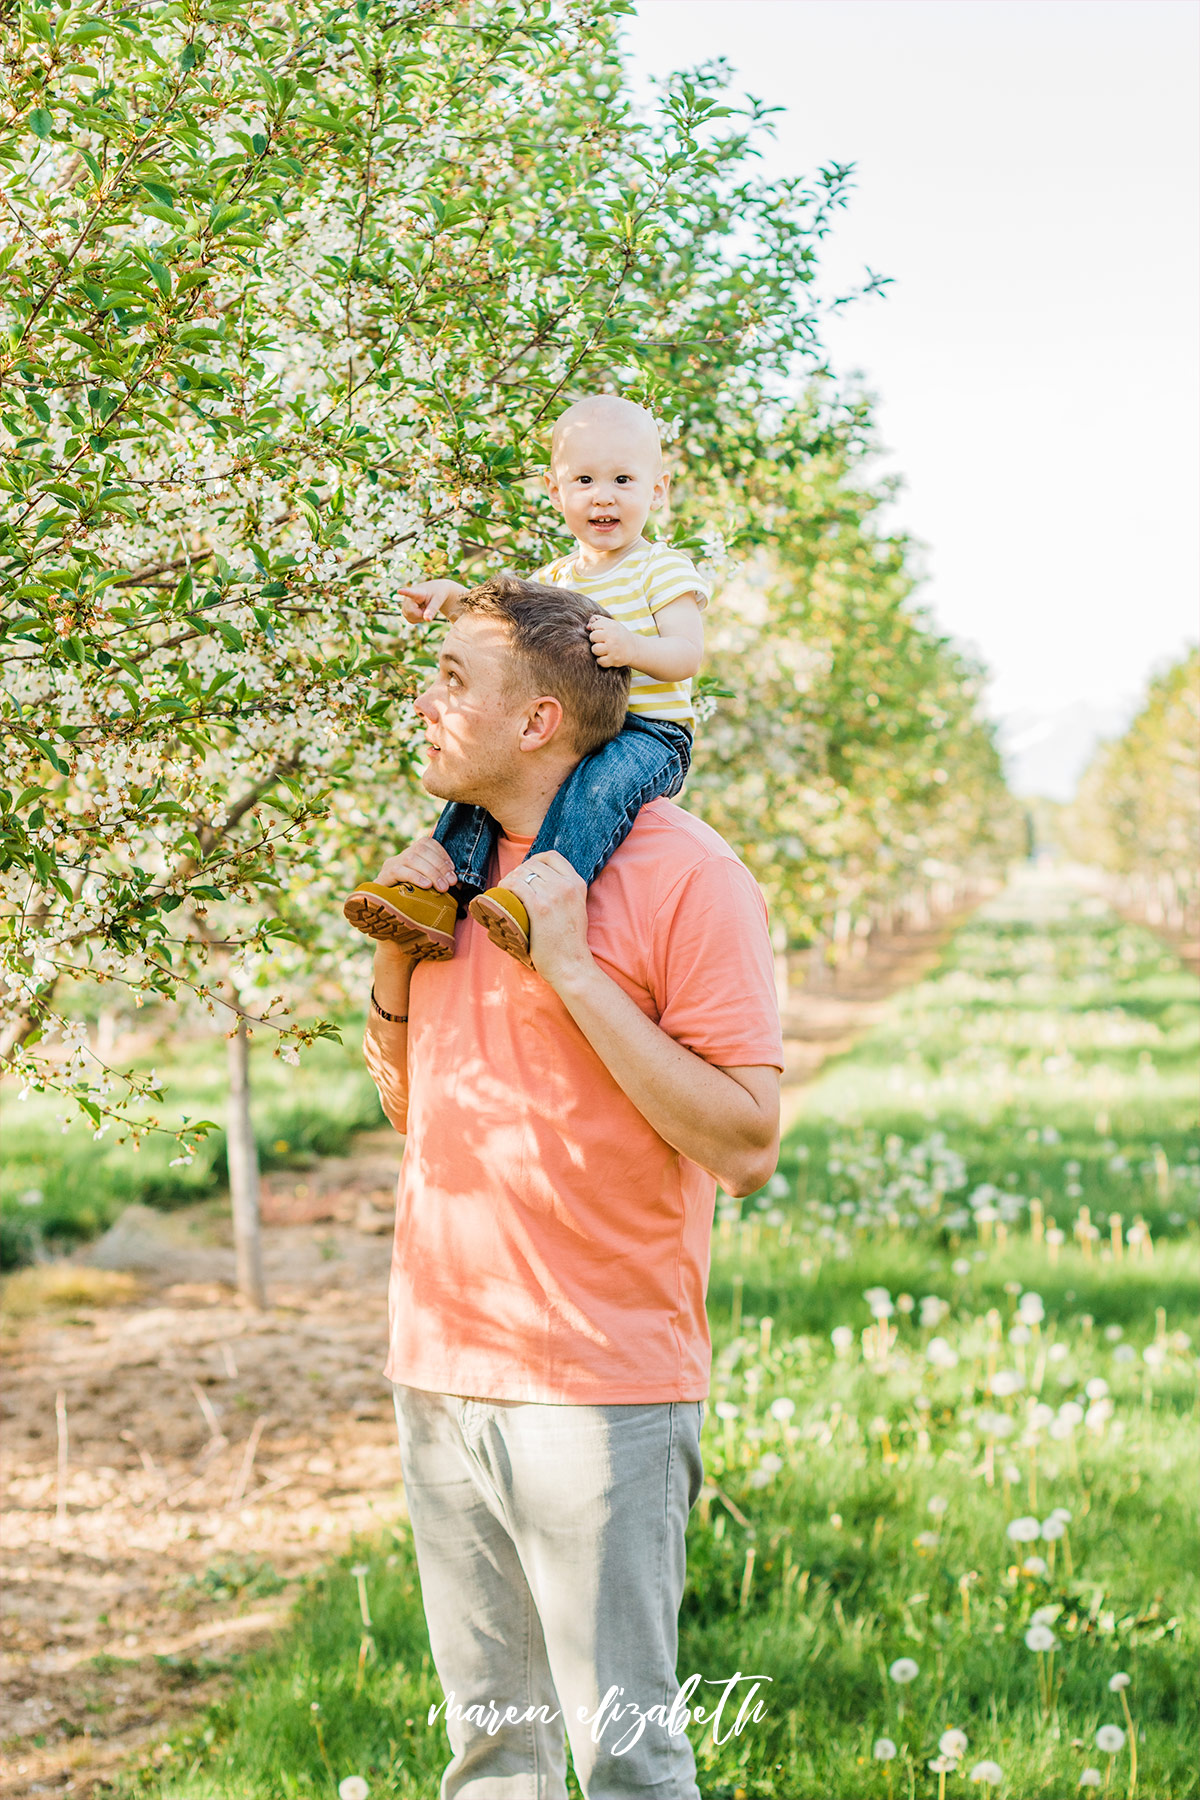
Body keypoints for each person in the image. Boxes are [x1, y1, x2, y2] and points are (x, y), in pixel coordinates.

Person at [362, 576, 783, 1800]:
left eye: (454, 680)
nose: (424, 703)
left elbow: (748, 1144)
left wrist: (577, 973)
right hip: (441, 1368)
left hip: (597, 1389)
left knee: (625, 1761)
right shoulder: (446, 873)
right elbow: (413, 1108)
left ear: (540, 720)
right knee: (494, 1758)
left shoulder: (686, 876)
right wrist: (398, 956)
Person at [343, 394, 709, 966]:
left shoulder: (661, 568)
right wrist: (452, 600)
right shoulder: (556, 578)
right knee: (480, 782)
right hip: (578, 726)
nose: (603, 495)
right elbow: (508, 622)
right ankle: (440, 896)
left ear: (656, 491)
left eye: (622, 479)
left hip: (646, 732)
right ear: (554, 490)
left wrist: (634, 647)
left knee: (600, 792)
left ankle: (540, 896)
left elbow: (688, 654)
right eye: (584, 479)